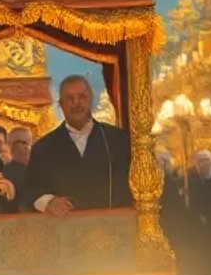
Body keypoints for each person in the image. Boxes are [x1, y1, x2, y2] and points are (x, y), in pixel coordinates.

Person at [24, 75, 132, 214]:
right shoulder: (43, 148)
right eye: (70, 99)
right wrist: (48, 202)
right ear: (61, 105)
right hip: (65, 230)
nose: (76, 103)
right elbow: (31, 189)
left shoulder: (117, 139)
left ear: (90, 99)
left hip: (115, 227)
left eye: (82, 97)